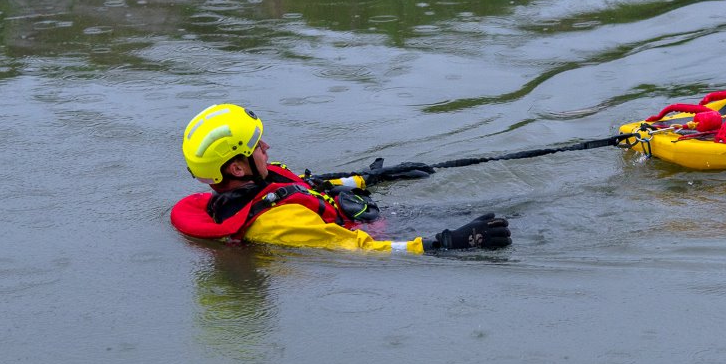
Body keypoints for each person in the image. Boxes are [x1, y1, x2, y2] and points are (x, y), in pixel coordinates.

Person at [170, 104, 511, 254]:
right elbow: (358, 249)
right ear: (237, 168)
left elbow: (305, 186)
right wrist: (442, 244)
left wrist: (368, 179)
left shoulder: (252, 185)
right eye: (258, 146)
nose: (267, 147)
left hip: (367, 213)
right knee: (514, 217)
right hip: (386, 231)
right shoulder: (278, 223)